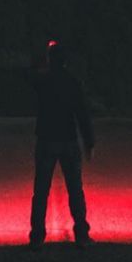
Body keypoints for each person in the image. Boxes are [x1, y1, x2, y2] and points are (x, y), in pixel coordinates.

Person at [27, 39, 94, 251]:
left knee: (41, 190)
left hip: (47, 138)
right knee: (75, 188)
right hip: (68, 139)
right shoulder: (72, 82)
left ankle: (37, 236)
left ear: (50, 60)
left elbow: (30, 76)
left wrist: (42, 60)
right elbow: (81, 112)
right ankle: (81, 234)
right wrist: (89, 140)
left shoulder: (43, 80)